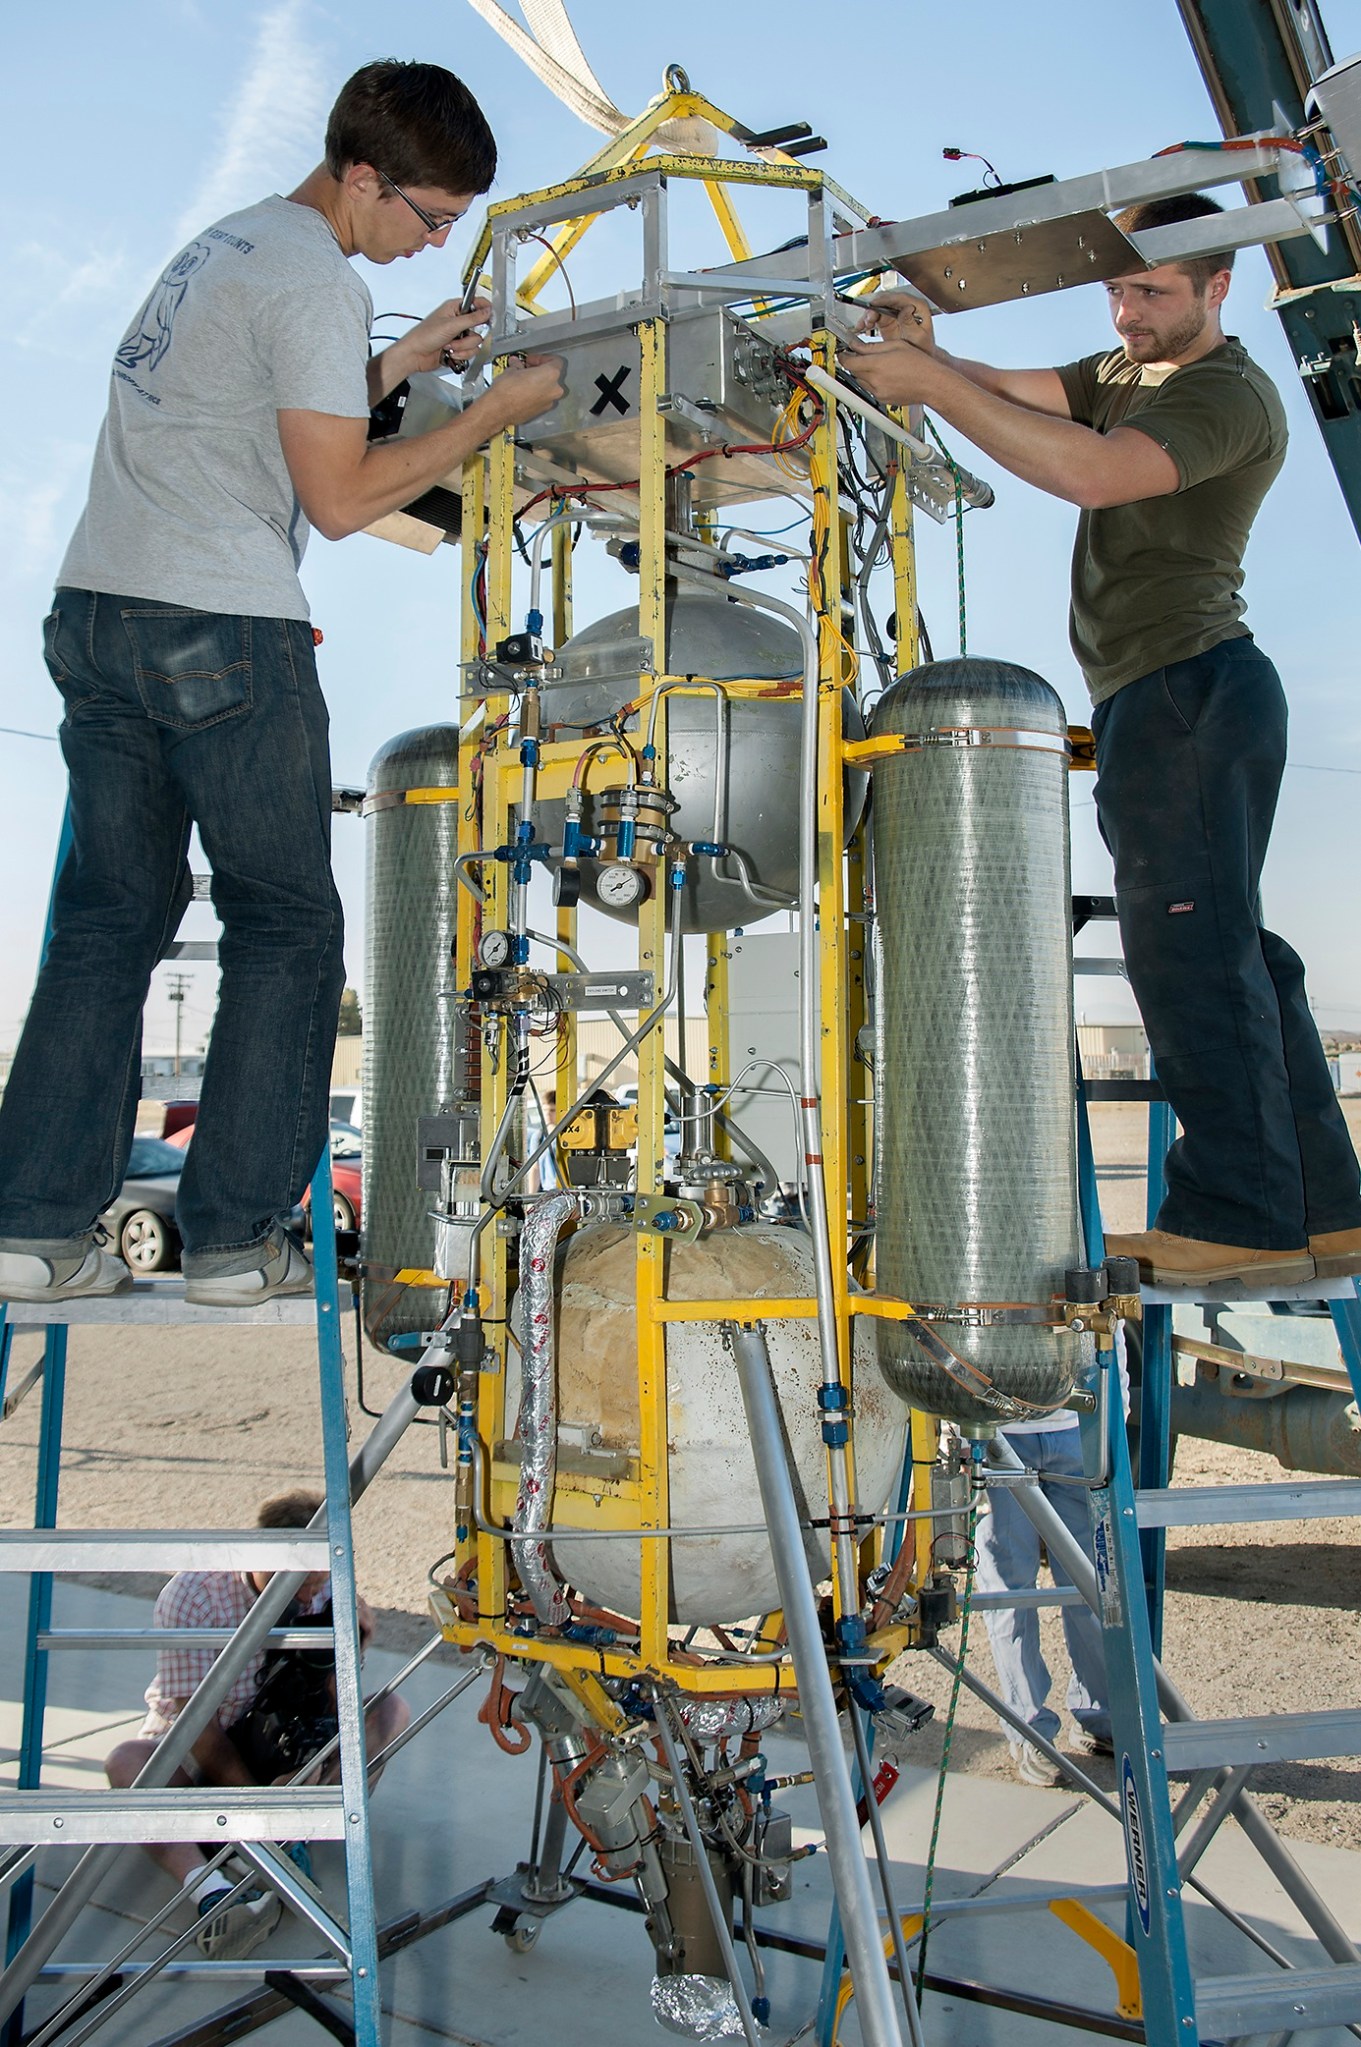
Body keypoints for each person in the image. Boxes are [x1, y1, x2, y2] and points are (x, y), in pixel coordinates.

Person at [0, 60, 564, 1309]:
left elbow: (262, 411)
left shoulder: (231, 243)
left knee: (106, 924)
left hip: (97, 613)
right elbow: (345, 496)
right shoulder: (316, 280)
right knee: (288, 929)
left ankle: (35, 1229)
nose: (429, 245)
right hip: (220, 631)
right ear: (361, 176)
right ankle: (230, 1242)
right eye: (427, 218)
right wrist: (497, 409)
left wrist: (408, 355)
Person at [844, 193, 1361, 1292]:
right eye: (1117, 288)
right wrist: (937, 353)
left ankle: (1236, 1216)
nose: (1124, 312)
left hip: (1187, 693)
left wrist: (928, 385)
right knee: (1234, 949)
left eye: (1150, 294)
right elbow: (1028, 395)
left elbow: (1086, 469)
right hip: (1158, 698)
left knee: (1186, 954)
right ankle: (1322, 1208)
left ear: (1216, 288)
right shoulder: (1130, 368)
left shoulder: (1227, 393)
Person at [104, 1488, 407, 1962]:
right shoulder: (192, 1598)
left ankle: (291, 1839)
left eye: (320, 1580)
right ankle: (210, 1892)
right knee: (127, 1763)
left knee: (390, 1712)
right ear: (264, 1553)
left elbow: (331, 1704)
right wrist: (261, 1812)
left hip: (278, 1740)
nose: (313, 1592)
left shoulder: (325, 1586)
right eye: (303, 1581)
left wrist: (350, 1652)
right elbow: (199, 1734)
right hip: (203, 1749)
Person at [975, 1414, 1113, 1787]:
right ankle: (1030, 1730)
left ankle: (1101, 1715)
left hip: (1074, 1427)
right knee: (1011, 1586)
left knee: (1092, 1580)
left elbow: (1111, 1352)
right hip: (1001, 1432)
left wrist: (1112, 1419)